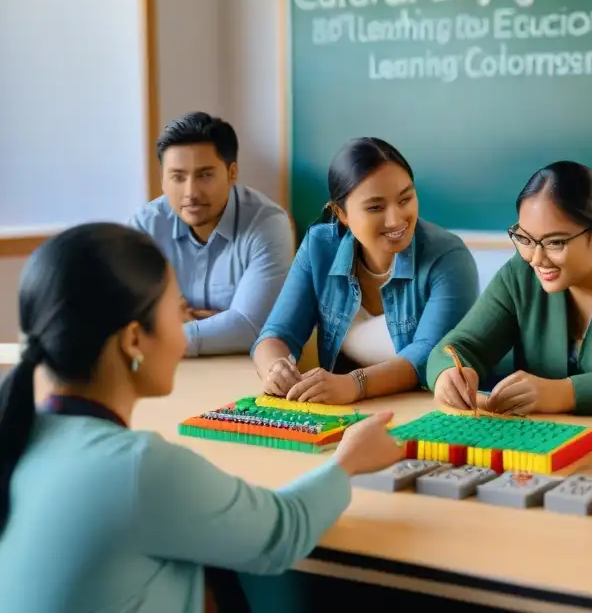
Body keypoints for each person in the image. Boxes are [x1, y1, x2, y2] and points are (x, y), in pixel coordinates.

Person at [0, 223, 404, 612]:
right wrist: (348, 461)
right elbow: (283, 533)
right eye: (179, 313)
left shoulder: (24, 433)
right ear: (134, 340)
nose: (185, 333)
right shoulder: (139, 468)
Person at [426, 160, 592, 416]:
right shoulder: (521, 273)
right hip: (556, 446)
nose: (536, 259)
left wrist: (562, 393)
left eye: (555, 242)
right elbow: (455, 348)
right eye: (524, 238)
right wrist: (448, 374)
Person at [251, 137, 479, 405]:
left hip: (424, 410)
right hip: (344, 411)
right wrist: (275, 369)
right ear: (341, 213)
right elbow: (277, 333)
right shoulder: (320, 246)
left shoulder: (448, 257)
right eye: (375, 207)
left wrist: (354, 384)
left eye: (405, 198)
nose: (396, 219)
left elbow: (429, 355)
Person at [128, 112, 294, 357]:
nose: (191, 192)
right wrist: (218, 328)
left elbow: (251, 326)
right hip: (167, 369)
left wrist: (167, 331)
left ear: (232, 173)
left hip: (240, 371)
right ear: (163, 179)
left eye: (204, 175)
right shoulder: (146, 226)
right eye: (178, 177)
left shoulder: (268, 224)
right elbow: (122, 316)